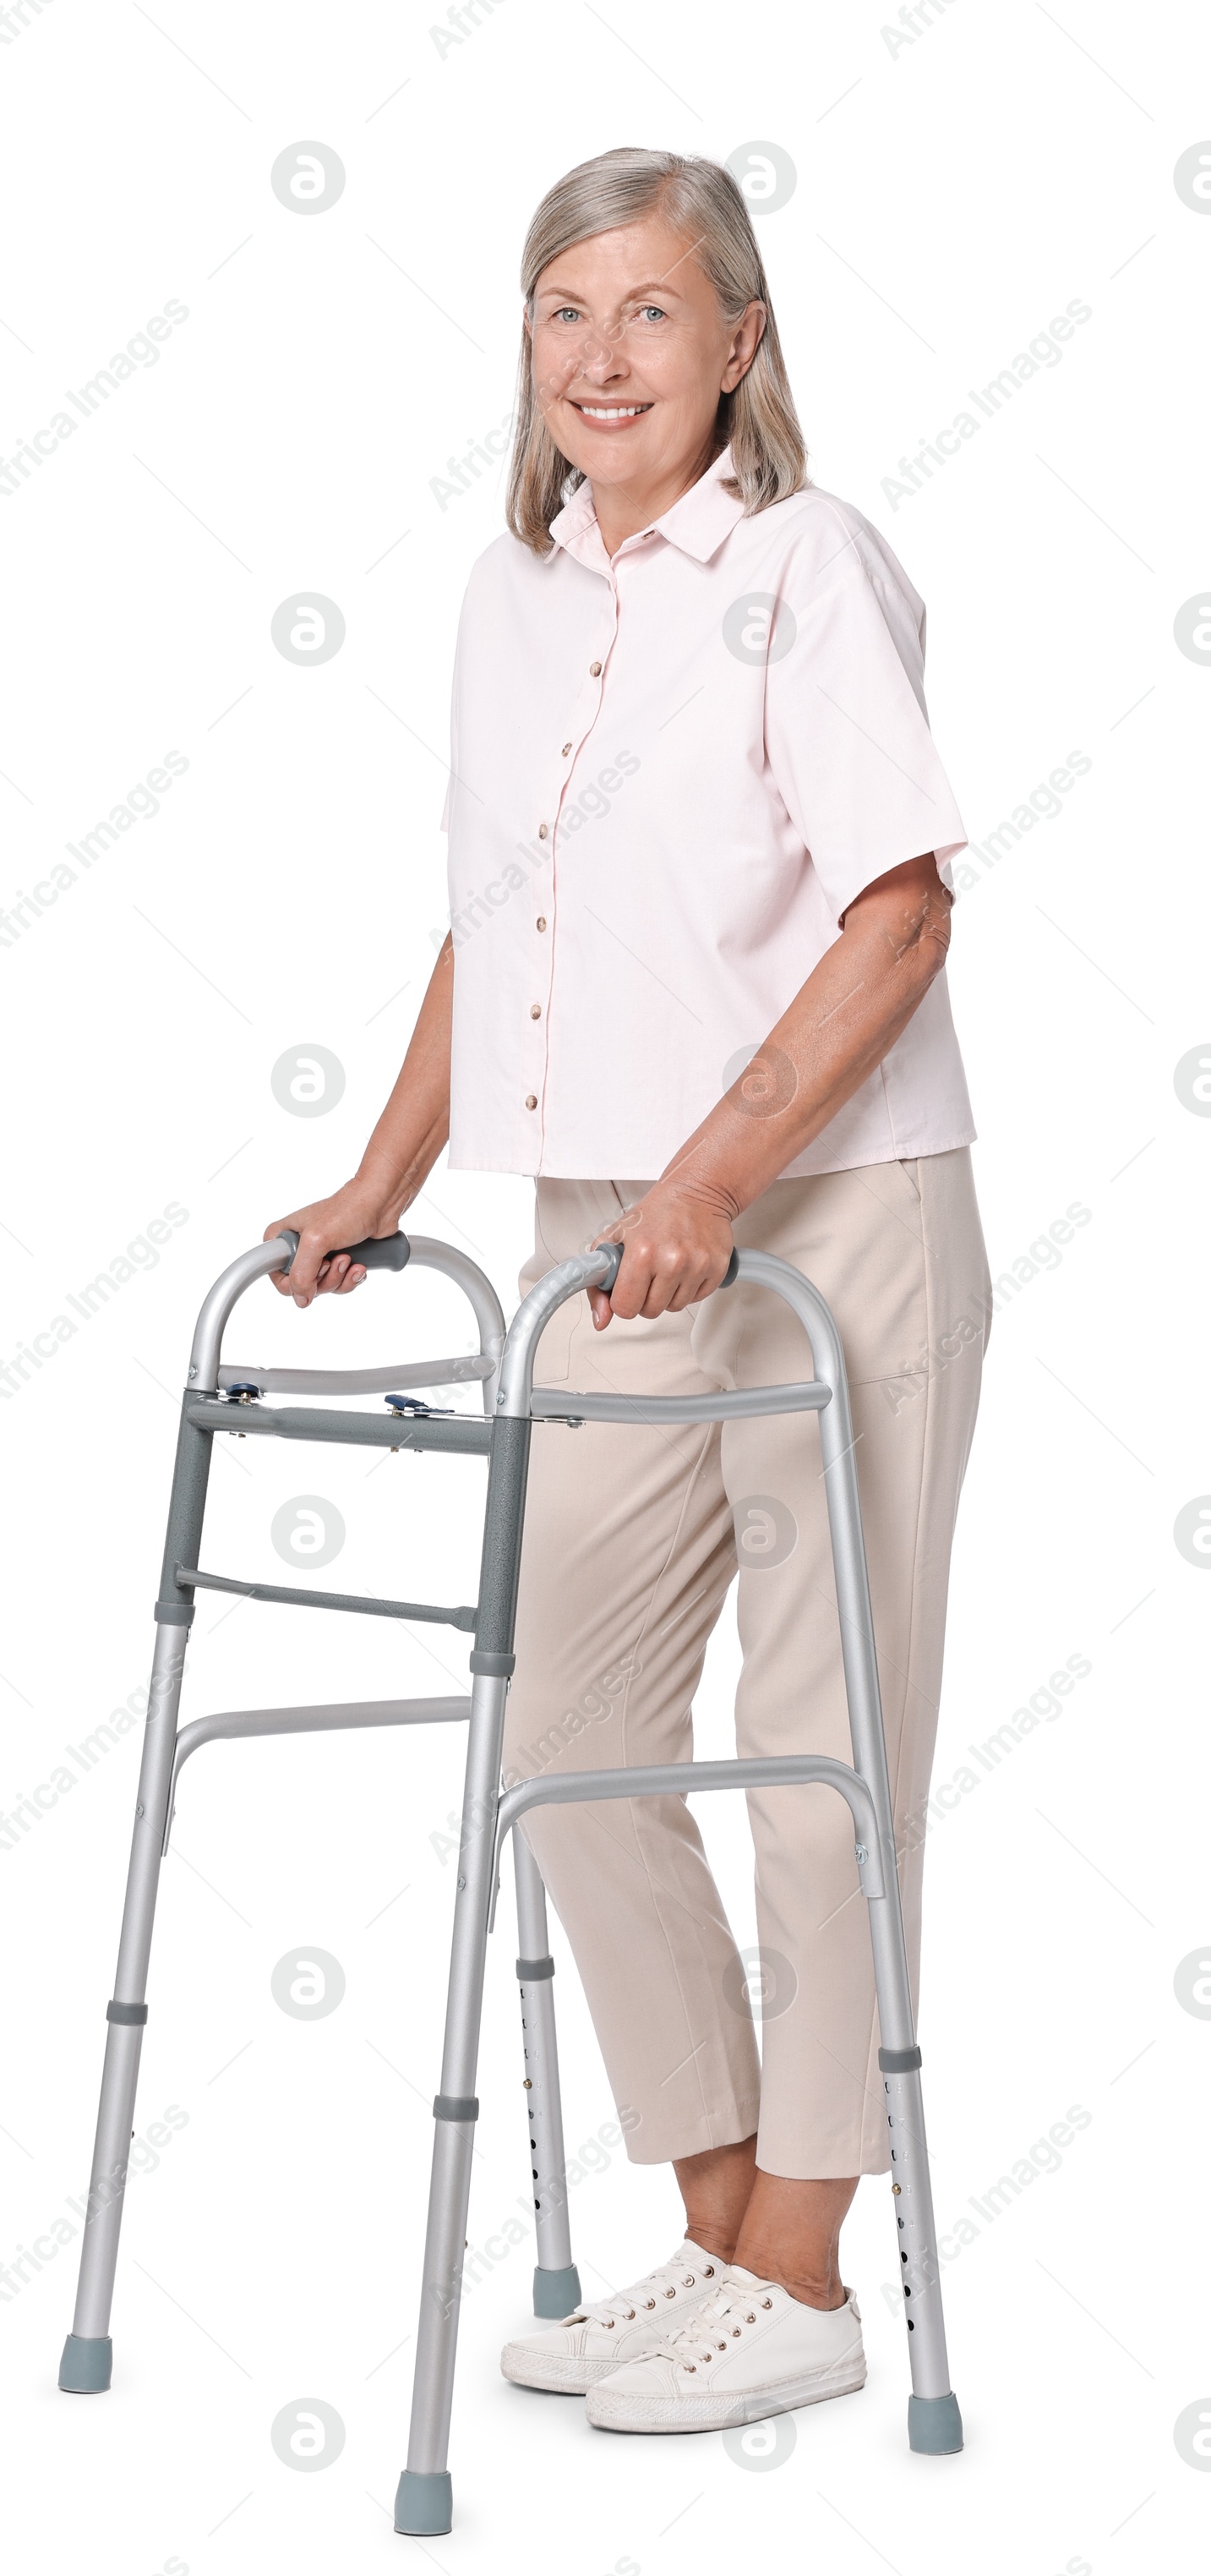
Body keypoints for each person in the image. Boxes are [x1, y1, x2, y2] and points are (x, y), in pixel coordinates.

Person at [267, 146, 989, 2438]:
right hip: (602, 1237)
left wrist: (717, 1171)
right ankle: (717, 2237)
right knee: (569, 1738)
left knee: (819, 1760)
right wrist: (386, 1171)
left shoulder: (805, 568)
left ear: (742, 343)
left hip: (834, 1212)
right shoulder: (508, 597)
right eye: (564, 309)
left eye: (653, 313)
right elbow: (509, 923)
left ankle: (807, 2268)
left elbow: (901, 914)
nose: (600, 357)